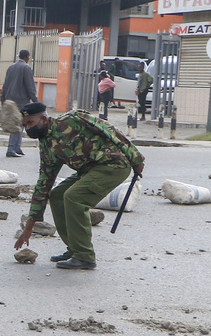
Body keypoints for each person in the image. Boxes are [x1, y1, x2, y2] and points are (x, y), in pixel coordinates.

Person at [14, 103, 144, 271]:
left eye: (30, 123)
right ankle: (75, 249)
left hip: (113, 165)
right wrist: (29, 227)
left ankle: (84, 256)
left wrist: (136, 158)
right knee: (57, 195)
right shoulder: (46, 145)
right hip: (89, 170)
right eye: (25, 125)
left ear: (44, 119)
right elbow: (44, 183)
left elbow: (109, 130)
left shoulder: (72, 119)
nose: (27, 129)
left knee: (74, 197)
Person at [0, 49, 38, 158]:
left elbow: (5, 84)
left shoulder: (11, 67)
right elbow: (30, 87)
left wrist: (3, 100)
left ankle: (17, 147)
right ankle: (11, 148)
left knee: (19, 123)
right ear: (27, 57)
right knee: (17, 124)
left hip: (10, 100)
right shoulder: (26, 68)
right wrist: (36, 101)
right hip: (21, 101)